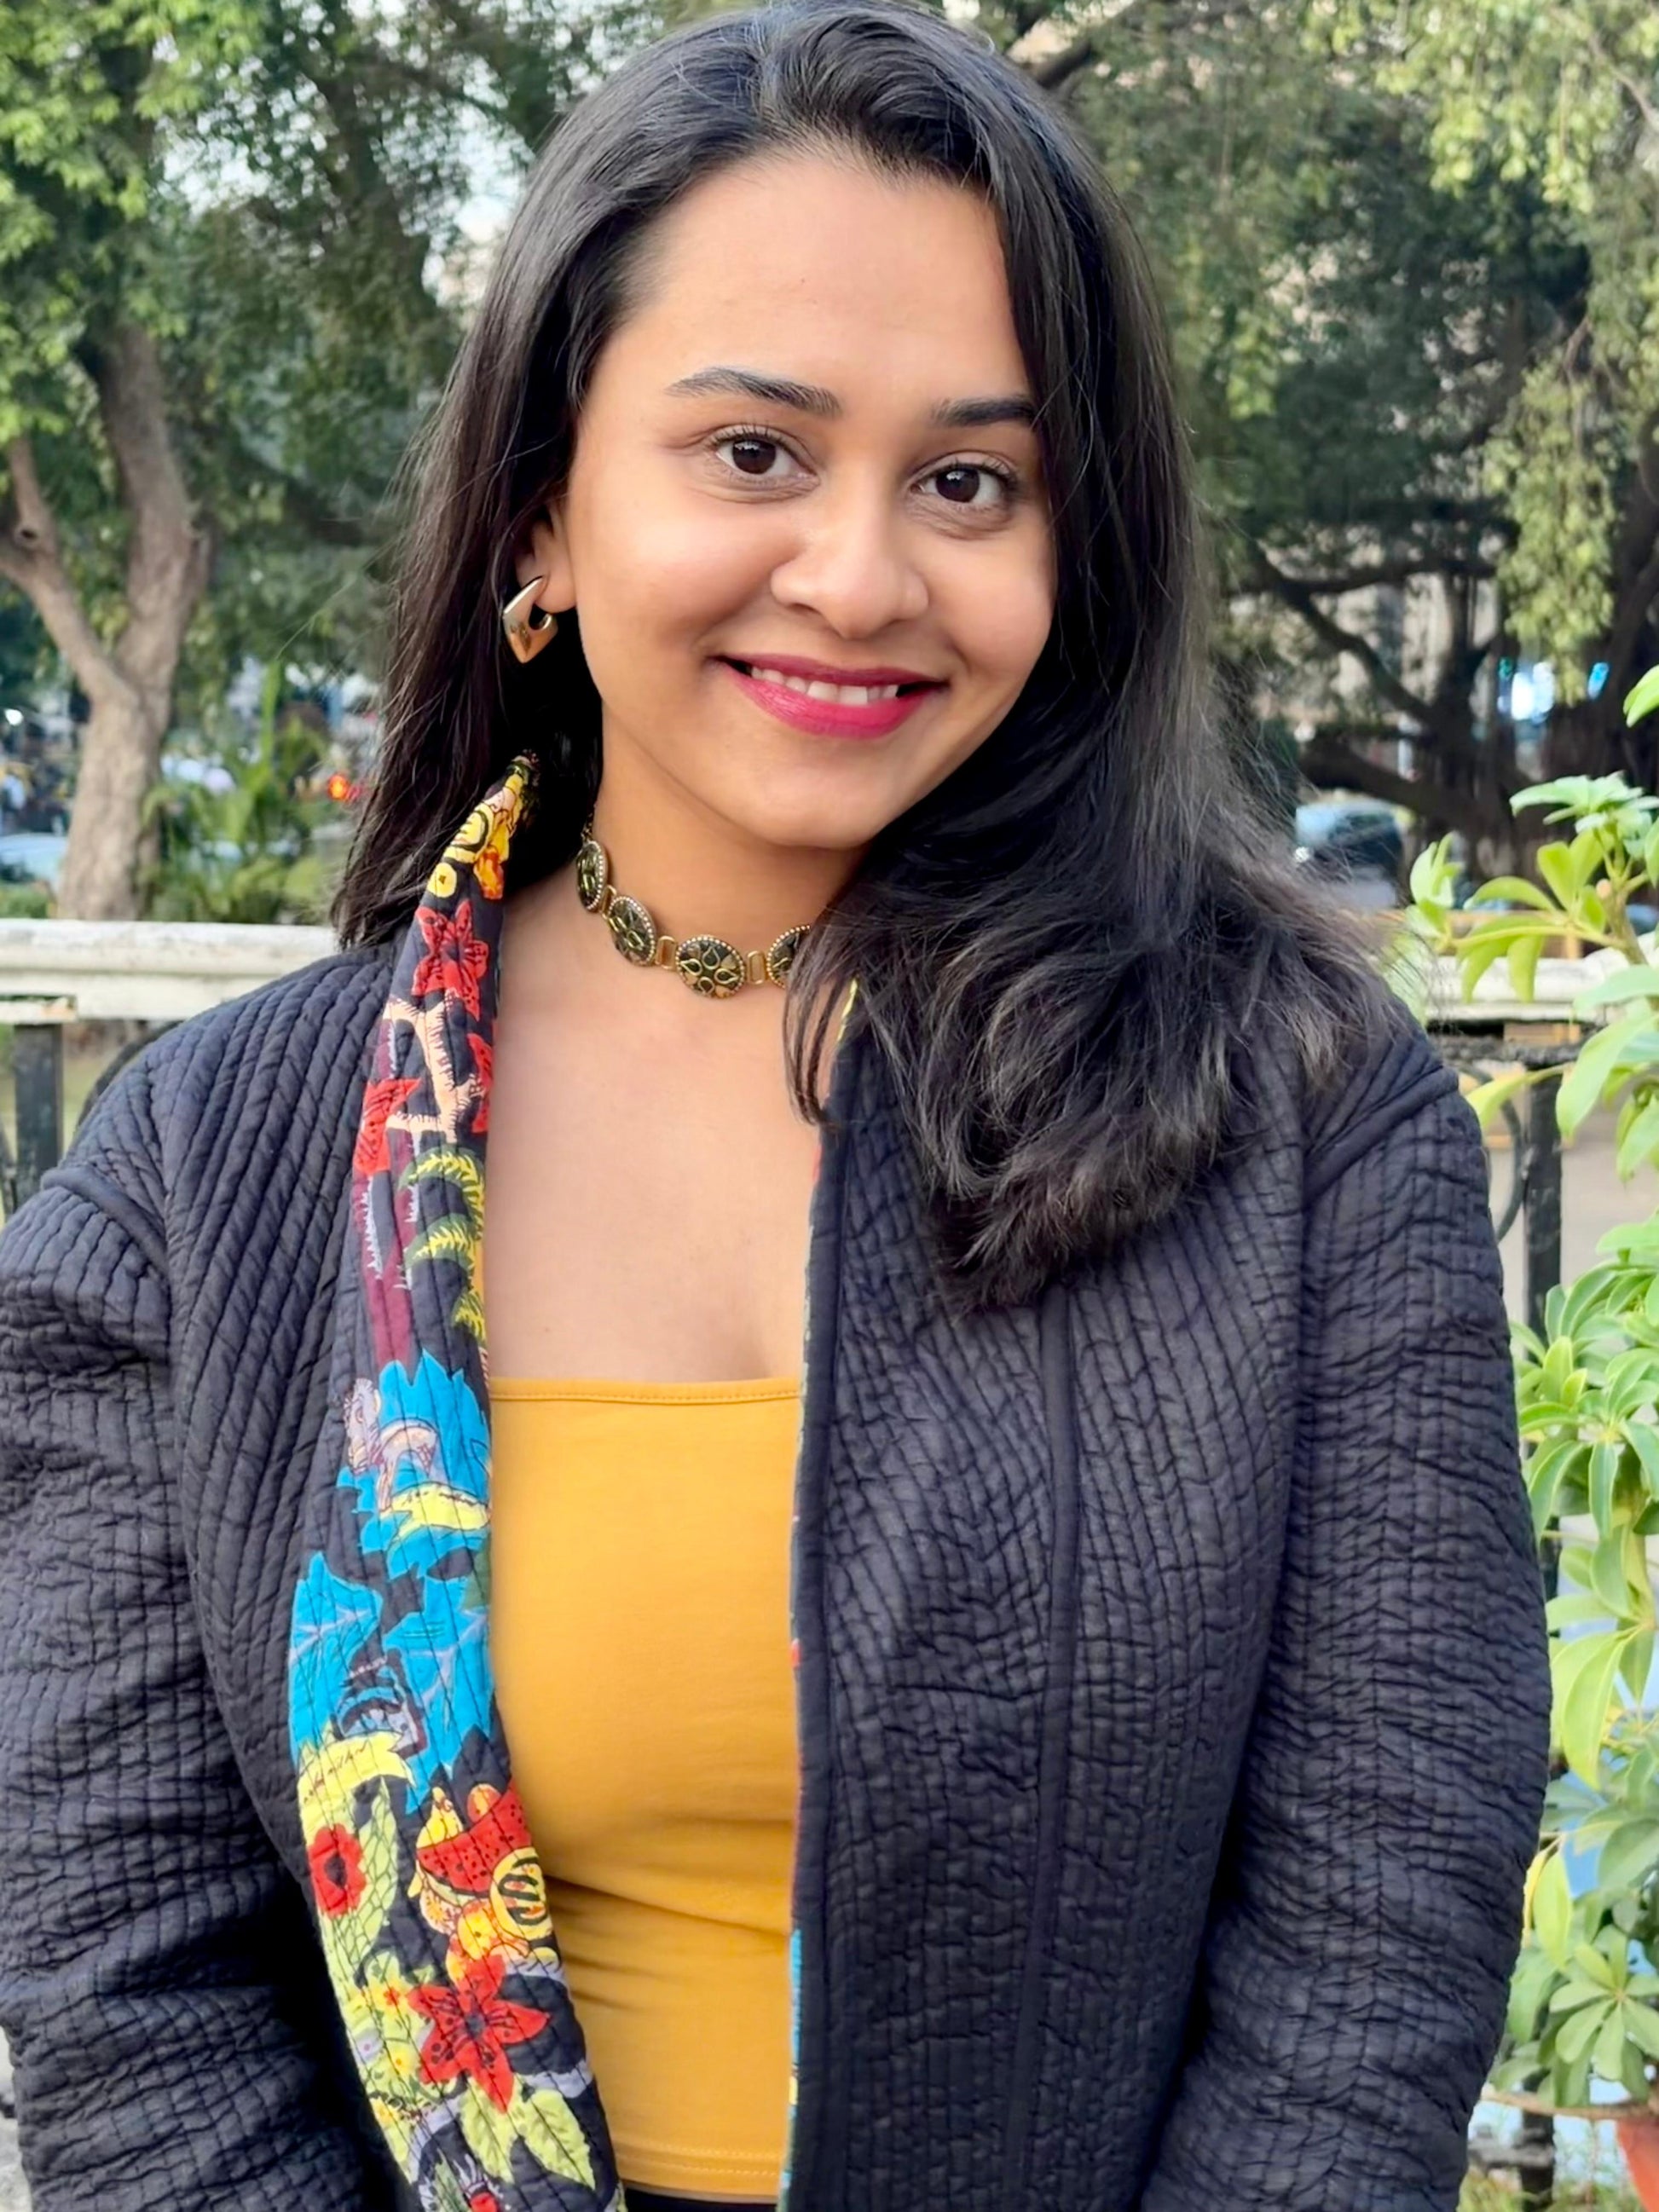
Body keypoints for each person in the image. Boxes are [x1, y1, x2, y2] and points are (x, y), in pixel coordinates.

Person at [0, 4, 1552, 2209]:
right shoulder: (206, 1178)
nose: (858, 575)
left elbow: (1375, 1926)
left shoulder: (1297, 1116)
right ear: (541, 508)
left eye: (969, 481)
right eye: (752, 452)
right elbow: (127, 1979)